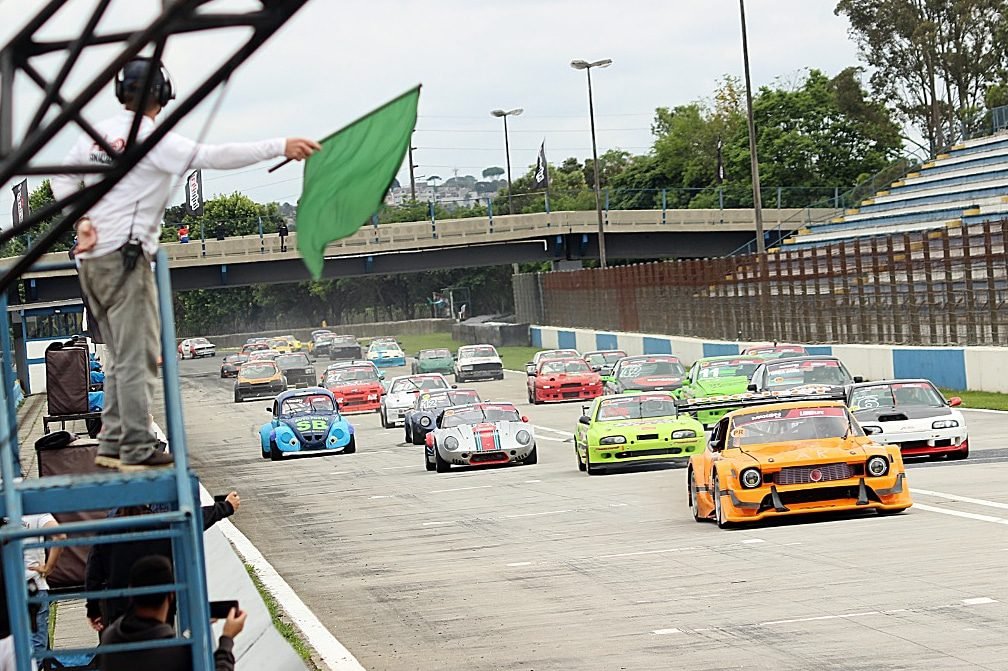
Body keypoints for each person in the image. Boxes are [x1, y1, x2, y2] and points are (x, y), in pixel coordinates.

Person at [50, 57, 320, 470]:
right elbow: (215, 155)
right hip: (126, 257)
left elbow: (62, 178)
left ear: (122, 93)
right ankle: (135, 446)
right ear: (162, 94)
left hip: (91, 263)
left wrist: (82, 220)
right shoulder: (156, 139)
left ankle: (113, 443)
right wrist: (279, 146)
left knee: (123, 352)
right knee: (138, 353)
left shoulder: (95, 137)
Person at [86, 492, 240, 633]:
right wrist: (225, 507)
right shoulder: (162, 526)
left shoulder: (106, 531)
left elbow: (93, 574)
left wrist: (93, 609)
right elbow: (193, 520)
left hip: (121, 610)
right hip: (159, 610)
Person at [98, 555, 245, 671]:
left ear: (130, 592)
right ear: (171, 595)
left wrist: (191, 634)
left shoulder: (110, 637)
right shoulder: (179, 655)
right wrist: (227, 638)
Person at [21, 512, 66, 662]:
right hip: (33, 584)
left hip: (6, 585)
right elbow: (59, 536)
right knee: (37, 643)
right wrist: (49, 568)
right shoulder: (37, 513)